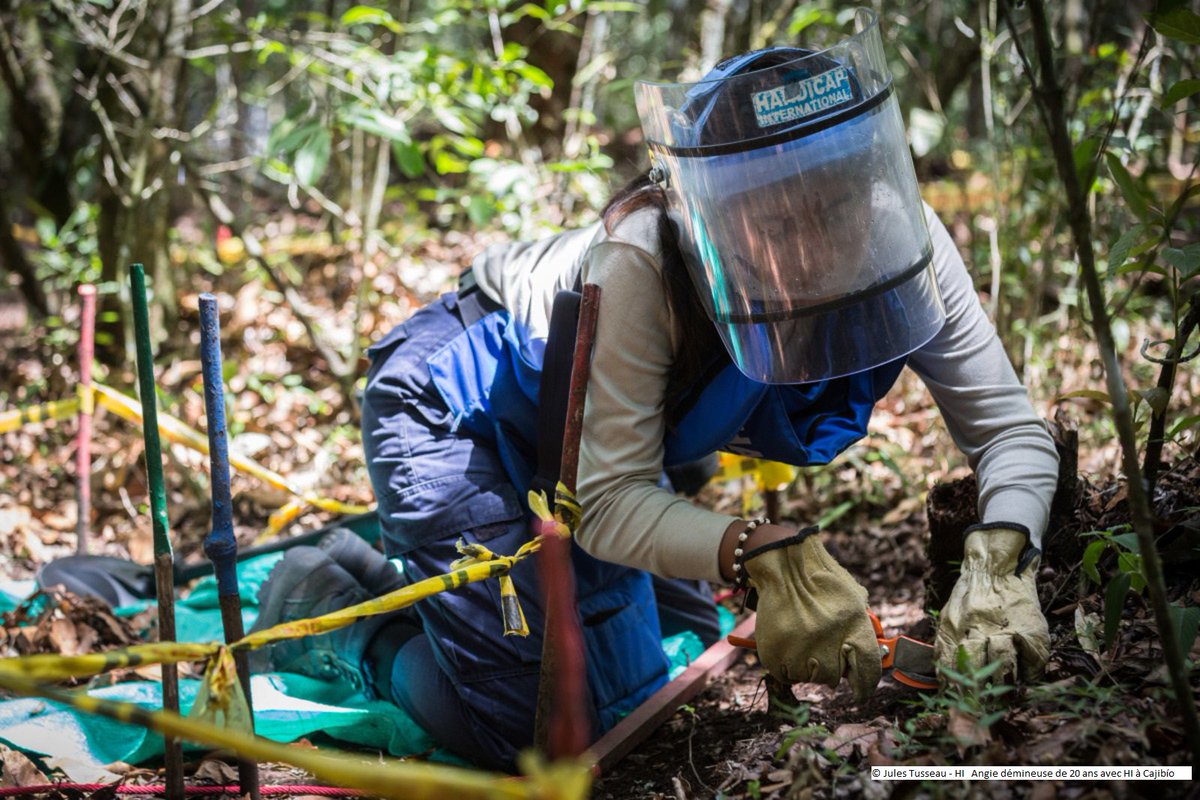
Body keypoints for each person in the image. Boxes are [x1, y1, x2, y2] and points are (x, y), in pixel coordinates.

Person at [250, 10, 1058, 772]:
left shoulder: (909, 246)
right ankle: (329, 606)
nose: (801, 238)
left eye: (827, 202)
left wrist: (1003, 558)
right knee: (542, 731)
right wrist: (754, 546)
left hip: (598, 433)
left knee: (671, 657)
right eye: (770, 217)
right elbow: (605, 503)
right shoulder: (644, 262)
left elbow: (1009, 432)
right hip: (458, 405)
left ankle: (408, 580)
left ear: (864, 182)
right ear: (713, 206)